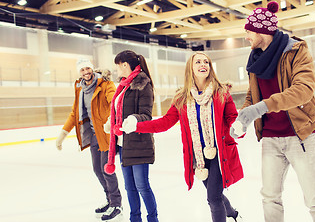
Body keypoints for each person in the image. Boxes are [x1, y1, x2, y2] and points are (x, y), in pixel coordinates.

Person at [231, 1, 315, 222]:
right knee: (270, 198)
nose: (246, 36)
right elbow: (253, 95)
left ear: (261, 30)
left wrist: (260, 108)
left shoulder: (296, 51)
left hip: (300, 136)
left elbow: (303, 90)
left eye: (249, 31)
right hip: (270, 138)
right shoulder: (255, 59)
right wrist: (244, 118)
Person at [120, 52, 244, 222]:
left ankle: (230, 215)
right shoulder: (182, 97)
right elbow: (165, 122)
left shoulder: (221, 93)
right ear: (190, 68)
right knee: (215, 193)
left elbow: (232, 119)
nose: (203, 64)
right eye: (198, 62)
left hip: (219, 153)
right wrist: (137, 126)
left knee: (213, 198)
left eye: (206, 62)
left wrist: (239, 127)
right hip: (198, 157)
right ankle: (233, 214)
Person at [55, 58, 122, 221]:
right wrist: (62, 135)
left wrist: (110, 122)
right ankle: (109, 200)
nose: (86, 72)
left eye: (87, 68)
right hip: (93, 135)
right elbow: (74, 113)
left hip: (106, 133)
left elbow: (114, 102)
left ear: (92, 69)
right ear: (79, 73)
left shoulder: (105, 84)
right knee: (97, 170)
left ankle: (117, 204)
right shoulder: (80, 89)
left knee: (107, 170)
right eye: (82, 70)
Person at [103, 50, 159, 222]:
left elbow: (146, 115)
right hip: (123, 144)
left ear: (124, 65)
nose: (116, 70)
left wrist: (133, 120)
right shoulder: (123, 85)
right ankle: (135, 219)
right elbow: (118, 111)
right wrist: (110, 121)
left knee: (142, 186)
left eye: (117, 66)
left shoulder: (143, 84)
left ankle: (152, 219)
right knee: (129, 187)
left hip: (139, 143)